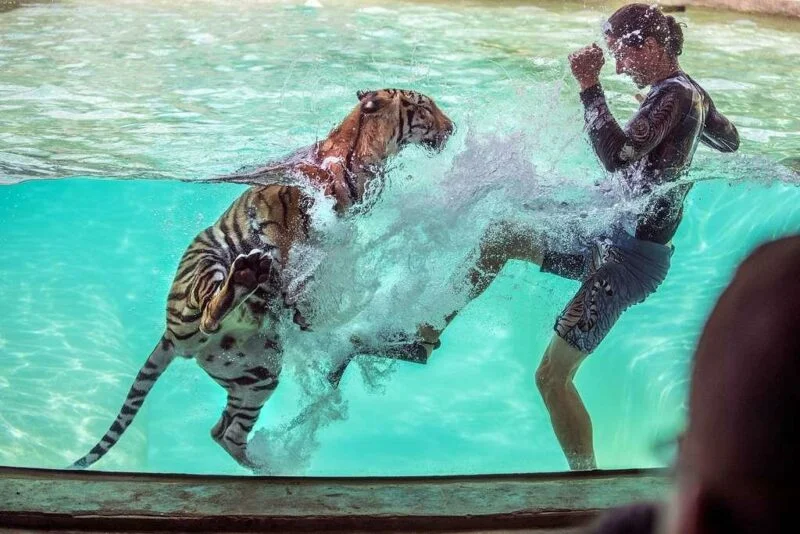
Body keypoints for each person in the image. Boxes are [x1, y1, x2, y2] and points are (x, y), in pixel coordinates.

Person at [339, 3, 740, 471]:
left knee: (551, 377)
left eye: (621, 55)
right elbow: (729, 141)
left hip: (625, 263)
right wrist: (675, 130)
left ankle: (585, 483)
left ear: (649, 47)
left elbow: (619, 157)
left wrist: (590, 88)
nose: (617, 65)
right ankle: (425, 336)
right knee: (503, 232)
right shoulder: (688, 94)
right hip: (605, 237)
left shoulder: (672, 95)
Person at [584, 234, 800, 533]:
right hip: (626, 258)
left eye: (680, 463)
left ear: (693, 514)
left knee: (551, 376)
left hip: (628, 263)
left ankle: (584, 471)